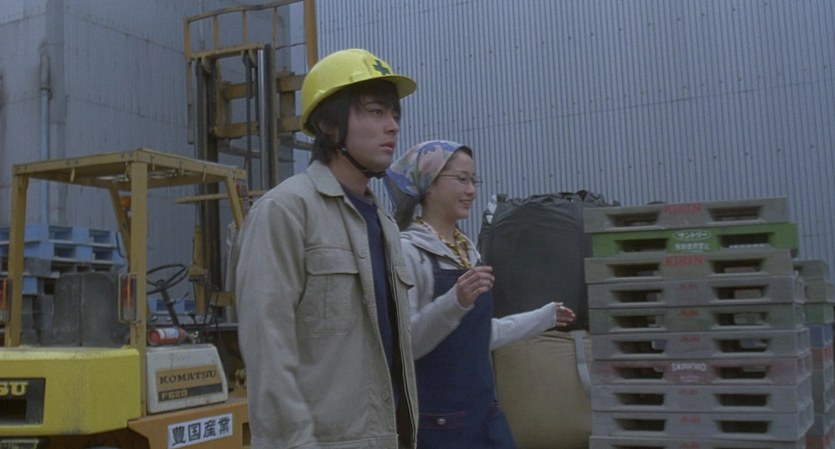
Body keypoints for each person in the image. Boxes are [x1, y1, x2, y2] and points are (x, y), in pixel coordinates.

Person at [234, 49, 419, 449]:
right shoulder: (285, 212)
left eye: (394, 114)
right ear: (329, 125)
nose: (392, 126)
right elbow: (268, 352)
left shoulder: (384, 224)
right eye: (375, 112)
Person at [384, 140, 577, 449]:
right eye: (462, 179)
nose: (472, 190)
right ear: (429, 185)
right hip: (441, 425)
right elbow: (405, 346)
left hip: (484, 415)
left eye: (474, 180)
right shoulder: (409, 252)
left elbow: (478, 335)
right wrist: (454, 302)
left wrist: (543, 318)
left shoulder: (466, 251)